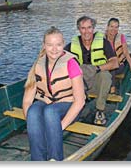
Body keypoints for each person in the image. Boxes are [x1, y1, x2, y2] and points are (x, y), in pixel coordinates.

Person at [22, 26, 85, 161]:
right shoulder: (38, 64)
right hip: (47, 103)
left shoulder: (71, 64)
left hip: (68, 106)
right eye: (50, 45)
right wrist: (33, 125)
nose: (54, 49)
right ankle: (38, 159)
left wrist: (58, 128)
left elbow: (80, 101)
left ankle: (55, 159)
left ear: (63, 45)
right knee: (33, 111)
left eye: (58, 44)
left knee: (50, 112)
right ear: (44, 45)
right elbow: (27, 100)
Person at [64, 16, 119, 126]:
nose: (86, 31)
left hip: (97, 85)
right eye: (83, 28)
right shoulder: (71, 46)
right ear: (79, 29)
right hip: (80, 84)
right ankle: (73, 107)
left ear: (93, 28)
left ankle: (100, 110)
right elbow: (59, 61)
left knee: (105, 75)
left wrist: (96, 68)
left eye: (89, 28)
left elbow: (115, 63)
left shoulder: (104, 43)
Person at [105, 18, 131, 94]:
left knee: (112, 67)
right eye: (112, 26)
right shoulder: (101, 38)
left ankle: (112, 88)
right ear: (107, 27)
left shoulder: (121, 37)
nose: (114, 29)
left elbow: (126, 52)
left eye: (116, 27)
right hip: (105, 64)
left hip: (119, 66)